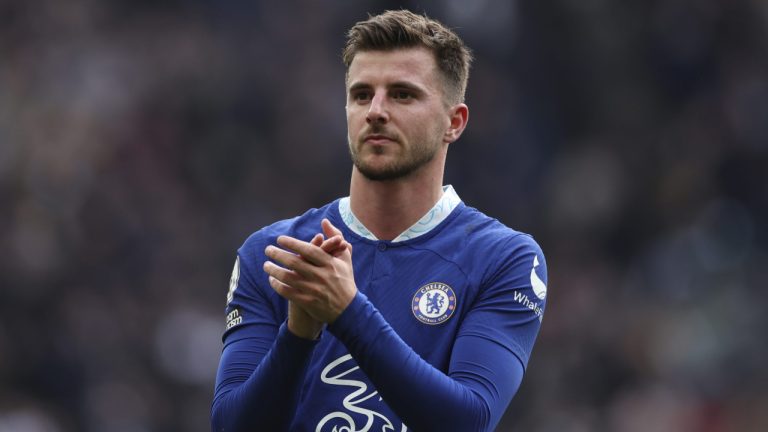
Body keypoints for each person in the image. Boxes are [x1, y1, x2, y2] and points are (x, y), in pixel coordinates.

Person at [211, 9, 548, 432]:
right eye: (361, 94)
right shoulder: (276, 254)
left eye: (403, 94)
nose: (376, 110)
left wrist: (347, 311)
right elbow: (231, 427)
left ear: (454, 122)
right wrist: (299, 332)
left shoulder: (504, 258)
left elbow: (469, 420)